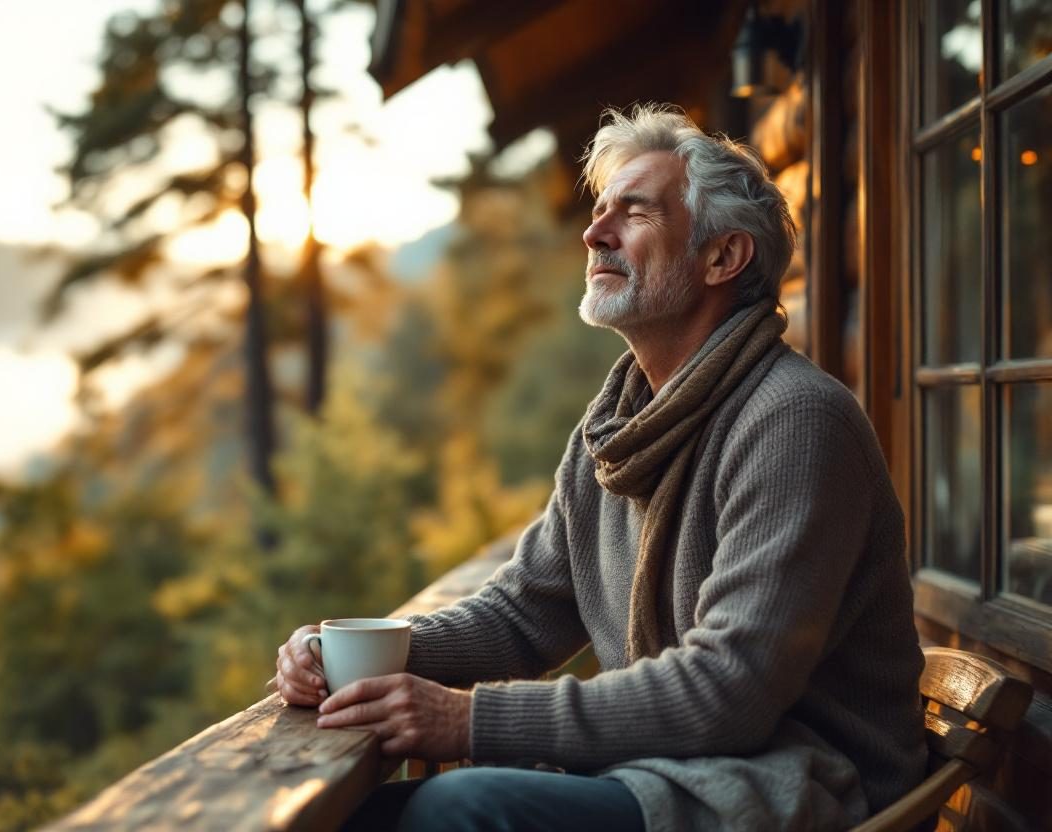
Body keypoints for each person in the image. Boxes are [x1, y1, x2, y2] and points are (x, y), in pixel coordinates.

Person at [273, 103, 927, 831]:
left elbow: (729, 688)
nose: (594, 232)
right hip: (676, 769)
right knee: (353, 819)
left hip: (793, 788)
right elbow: (525, 613)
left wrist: (470, 720)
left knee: (462, 808)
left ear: (721, 258)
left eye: (635, 211)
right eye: (600, 209)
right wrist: (352, 653)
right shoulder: (620, 424)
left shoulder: (796, 422)